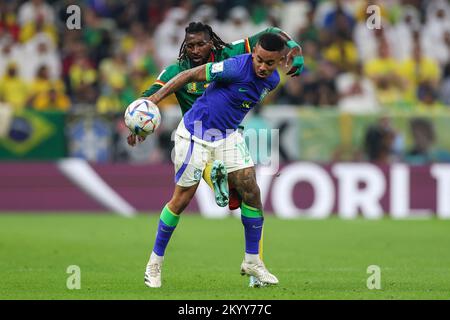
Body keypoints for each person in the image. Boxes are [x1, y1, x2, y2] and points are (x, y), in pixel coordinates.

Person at [141, 32, 287, 288]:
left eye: (270, 63)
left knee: (251, 191)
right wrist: (154, 100)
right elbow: (188, 75)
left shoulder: (272, 81)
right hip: (195, 132)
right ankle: (154, 263)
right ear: (254, 54)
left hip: (227, 136)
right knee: (181, 199)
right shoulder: (233, 67)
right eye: (260, 60)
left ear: (278, 62)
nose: (263, 67)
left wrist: (295, 49)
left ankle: (253, 261)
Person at [128, 21, 304, 211]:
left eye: (200, 44)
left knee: (246, 192)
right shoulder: (176, 71)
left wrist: (294, 46)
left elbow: (271, 33)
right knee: (187, 196)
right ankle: (219, 180)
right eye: (190, 46)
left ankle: (222, 183)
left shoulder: (229, 54)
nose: (195, 50)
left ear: (211, 42)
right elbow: (149, 97)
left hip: (225, 133)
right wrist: (137, 124)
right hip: (194, 136)